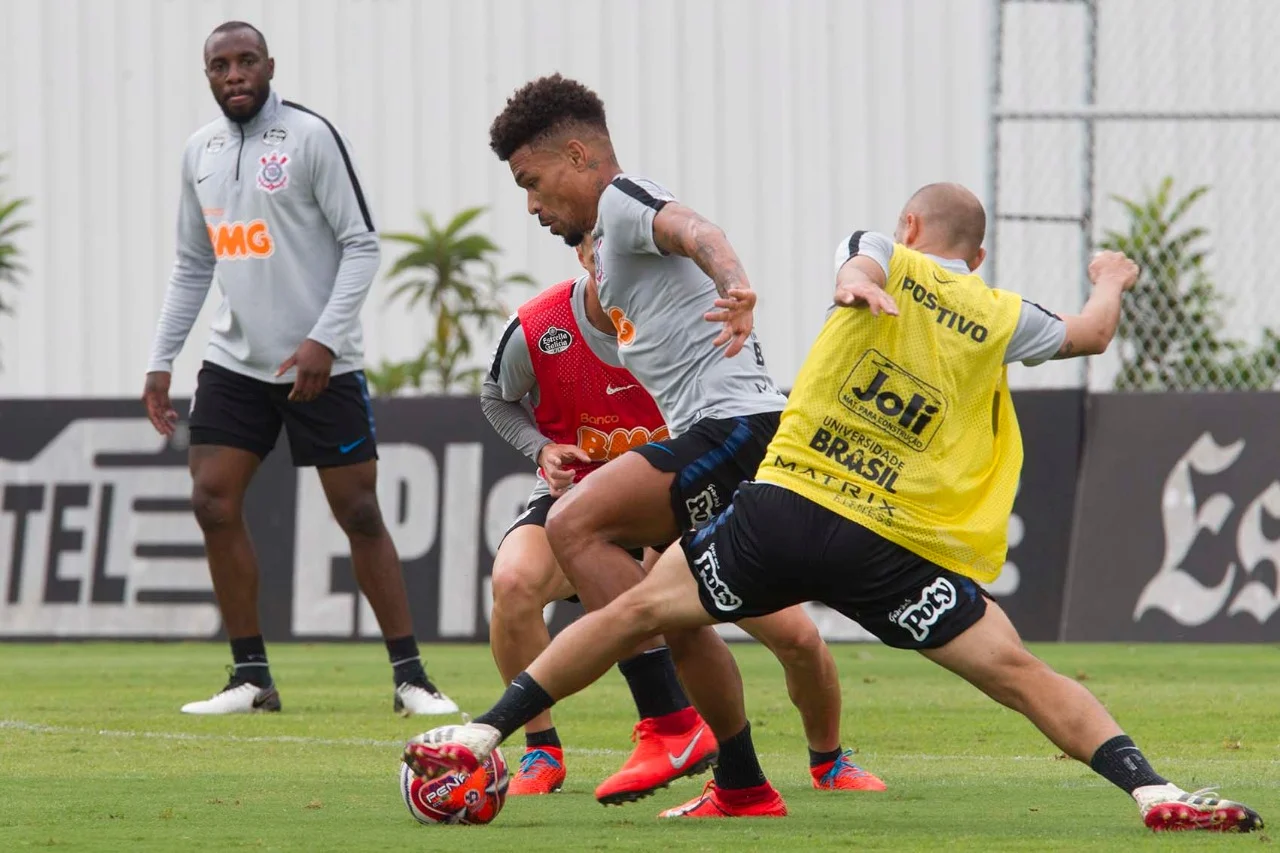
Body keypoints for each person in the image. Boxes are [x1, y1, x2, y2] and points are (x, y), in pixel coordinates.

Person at [405, 183, 1265, 834]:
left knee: (636, 608)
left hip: (787, 506)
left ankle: (485, 736)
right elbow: (1093, 332)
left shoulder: (884, 251)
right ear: (978, 258)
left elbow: (860, 261)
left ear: (915, 230)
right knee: (1021, 673)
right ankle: (1152, 788)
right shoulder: (1001, 315)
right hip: (887, 546)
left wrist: (860, 281)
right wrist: (1111, 277)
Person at [471, 73, 883, 818]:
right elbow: (501, 390)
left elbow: (697, 231)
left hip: (734, 426)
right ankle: (744, 783)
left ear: (576, 154)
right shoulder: (595, 256)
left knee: (575, 525)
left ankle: (669, 721)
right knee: (679, 610)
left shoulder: (625, 199)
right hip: (734, 433)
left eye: (533, 183)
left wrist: (737, 284)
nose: (531, 205)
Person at [141, 21, 454, 717]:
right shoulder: (199, 152)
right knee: (212, 500)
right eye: (220, 65)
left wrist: (323, 339)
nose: (234, 74)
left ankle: (411, 678)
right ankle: (251, 678)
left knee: (360, 511)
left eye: (246, 61)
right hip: (234, 361)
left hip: (321, 364)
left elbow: (362, 245)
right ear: (208, 76)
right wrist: (161, 359)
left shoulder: (311, 138)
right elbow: (194, 263)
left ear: (269, 65)